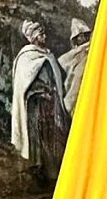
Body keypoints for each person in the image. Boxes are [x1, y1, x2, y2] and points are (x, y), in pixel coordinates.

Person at [10, 20, 69, 183]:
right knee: (39, 138)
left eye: (43, 33)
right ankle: (39, 171)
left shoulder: (48, 54)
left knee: (55, 136)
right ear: (35, 37)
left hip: (52, 103)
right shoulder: (26, 56)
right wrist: (42, 92)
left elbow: (59, 76)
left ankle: (56, 172)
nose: (44, 36)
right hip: (36, 105)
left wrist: (54, 90)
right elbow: (24, 84)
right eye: (41, 34)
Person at [57, 18, 92, 115]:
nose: (82, 38)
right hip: (73, 96)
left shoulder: (93, 50)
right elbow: (62, 65)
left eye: (84, 35)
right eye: (79, 36)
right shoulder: (70, 56)